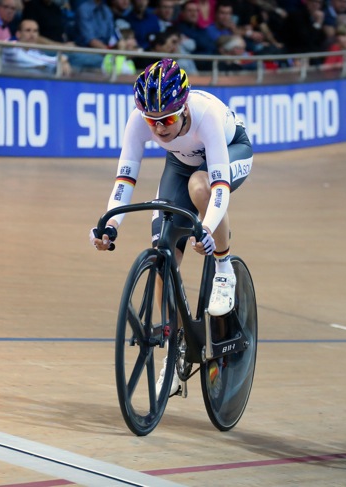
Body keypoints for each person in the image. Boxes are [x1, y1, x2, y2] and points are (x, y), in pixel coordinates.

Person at [89, 58, 254, 396]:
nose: (159, 128)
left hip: (229, 152)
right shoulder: (140, 120)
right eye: (152, 121)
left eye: (166, 120)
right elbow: (125, 178)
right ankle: (174, 354)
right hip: (181, 163)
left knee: (200, 186)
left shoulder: (205, 115)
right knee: (163, 249)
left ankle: (224, 268)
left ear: (183, 108)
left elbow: (219, 186)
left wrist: (206, 229)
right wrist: (111, 224)